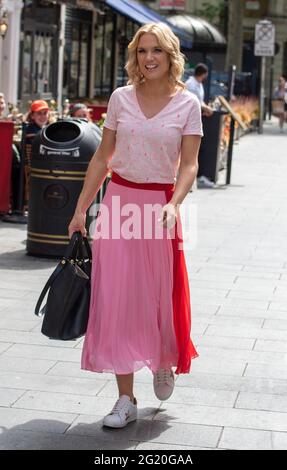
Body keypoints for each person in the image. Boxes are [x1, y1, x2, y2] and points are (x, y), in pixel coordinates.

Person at [68, 22, 202, 429]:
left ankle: (164, 358)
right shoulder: (121, 99)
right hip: (119, 203)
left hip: (159, 208)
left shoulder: (187, 104)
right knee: (116, 300)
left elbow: (191, 164)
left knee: (158, 296)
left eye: (156, 51)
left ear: (170, 55)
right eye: (142, 51)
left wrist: (175, 204)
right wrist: (80, 210)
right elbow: (101, 159)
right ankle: (125, 398)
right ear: (135, 57)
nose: (149, 58)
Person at [185, 63, 215, 188]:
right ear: (203, 73)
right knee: (193, 150)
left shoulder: (198, 84)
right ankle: (194, 178)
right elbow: (194, 101)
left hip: (197, 118)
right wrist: (206, 107)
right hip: (189, 120)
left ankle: (196, 177)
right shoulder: (191, 84)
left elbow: (199, 101)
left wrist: (205, 108)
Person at [24, 100, 50, 207]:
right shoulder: (31, 131)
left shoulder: (44, 129)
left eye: (45, 113)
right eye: (39, 113)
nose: (43, 116)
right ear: (32, 116)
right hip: (38, 167)